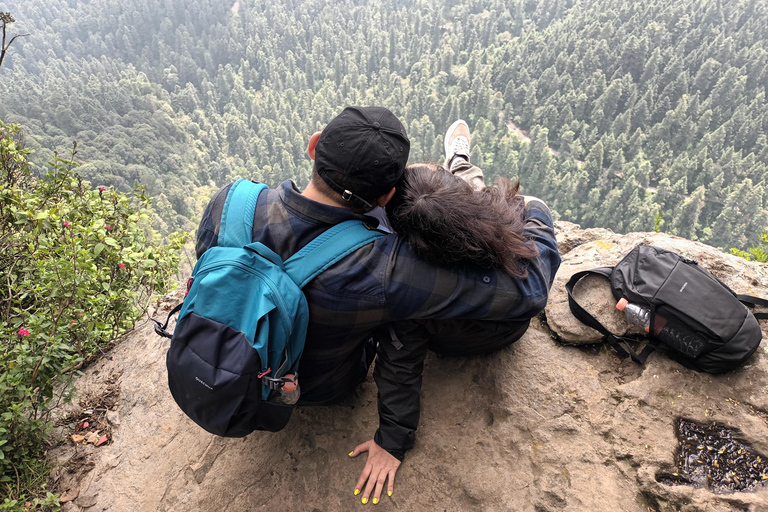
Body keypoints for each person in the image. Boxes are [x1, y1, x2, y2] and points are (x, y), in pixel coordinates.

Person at [195, 108, 560, 505]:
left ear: (314, 147)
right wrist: (535, 210)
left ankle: (460, 172)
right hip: (317, 388)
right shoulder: (384, 266)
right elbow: (528, 290)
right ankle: (460, 172)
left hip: (216, 355)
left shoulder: (230, 201)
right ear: (388, 199)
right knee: (411, 297)